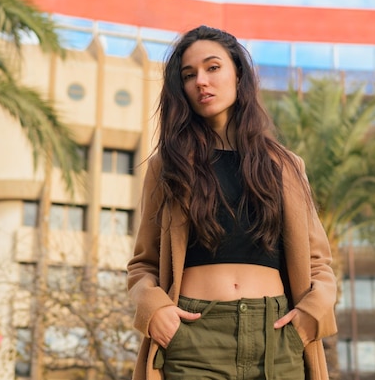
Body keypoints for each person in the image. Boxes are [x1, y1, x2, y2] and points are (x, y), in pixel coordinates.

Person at [127, 25, 337, 380]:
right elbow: (143, 263)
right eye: (189, 75)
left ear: (238, 74)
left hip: (277, 337)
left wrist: (309, 316)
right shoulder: (169, 165)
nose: (201, 82)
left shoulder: (285, 166)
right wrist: (155, 311)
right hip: (193, 338)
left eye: (213, 68)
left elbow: (319, 262)